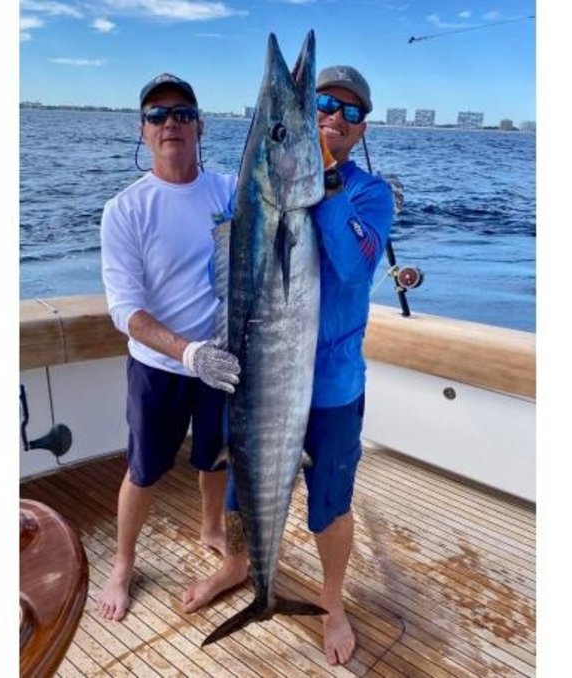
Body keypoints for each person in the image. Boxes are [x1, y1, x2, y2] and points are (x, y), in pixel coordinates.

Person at [181, 65, 394, 666]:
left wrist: (322, 183)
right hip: (259, 372)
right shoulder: (250, 198)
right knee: (242, 488)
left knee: (330, 502)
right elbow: (219, 275)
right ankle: (240, 568)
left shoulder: (371, 195)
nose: (332, 116)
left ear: (361, 129)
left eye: (349, 112)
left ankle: (331, 603)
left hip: (332, 388)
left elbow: (353, 266)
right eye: (324, 103)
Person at [96, 72, 241, 622]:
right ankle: (123, 562)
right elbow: (125, 310)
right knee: (144, 468)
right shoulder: (126, 209)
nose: (170, 123)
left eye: (181, 113)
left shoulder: (229, 190)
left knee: (216, 457)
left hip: (221, 363)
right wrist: (187, 352)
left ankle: (211, 528)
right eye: (157, 116)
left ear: (201, 126)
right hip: (159, 366)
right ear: (143, 131)